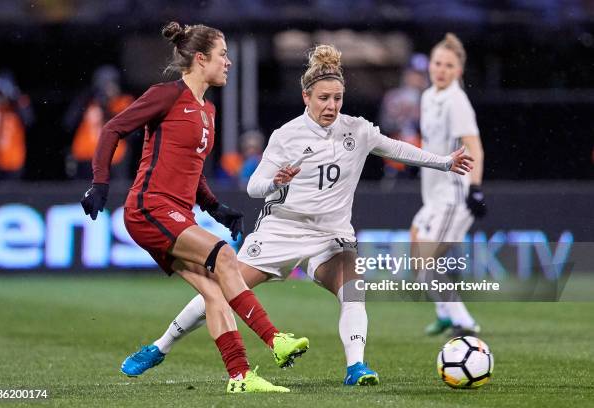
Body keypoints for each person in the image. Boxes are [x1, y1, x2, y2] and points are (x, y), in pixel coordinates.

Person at [120, 44, 473, 386]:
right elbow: (254, 186)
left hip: (331, 234)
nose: (332, 106)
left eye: (337, 98)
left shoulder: (357, 130)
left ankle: (357, 367)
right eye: (323, 98)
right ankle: (159, 346)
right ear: (306, 97)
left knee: (354, 290)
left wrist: (444, 161)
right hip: (282, 230)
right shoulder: (286, 136)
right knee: (222, 290)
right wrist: (275, 180)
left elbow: (397, 148)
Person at [80, 21, 310, 394]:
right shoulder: (166, 95)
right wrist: (100, 183)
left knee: (214, 292)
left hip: (176, 214)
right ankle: (274, 339)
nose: (228, 62)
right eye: (222, 55)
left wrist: (216, 207)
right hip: (148, 208)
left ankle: (240, 376)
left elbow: (192, 170)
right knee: (224, 258)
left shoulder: (207, 110)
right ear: (201, 59)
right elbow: (112, 130)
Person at [410, 33, 486, 337]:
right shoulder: (429, 97)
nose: (441, 70)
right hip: (433, 195)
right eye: (437, 63)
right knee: (416, 247)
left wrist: (476, 188)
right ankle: (445, 313)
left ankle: (464, 322)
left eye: (449, 65)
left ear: (459, 71)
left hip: (455, 194)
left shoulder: (456, 101)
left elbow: (475, 147)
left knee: (426, 259)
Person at [63, 65, 134, 179]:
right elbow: (69, 122)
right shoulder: (88, 101)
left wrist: (105, 106)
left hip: (113, 158)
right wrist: (86, 98)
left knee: (114, 193)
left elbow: (128, 128)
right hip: (85, 156)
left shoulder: (124, 102)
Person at [0, 72, 34, 180]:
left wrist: (16, 96)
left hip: (12, 161)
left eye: (2, 94)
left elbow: (29, 119)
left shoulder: (15, 109)